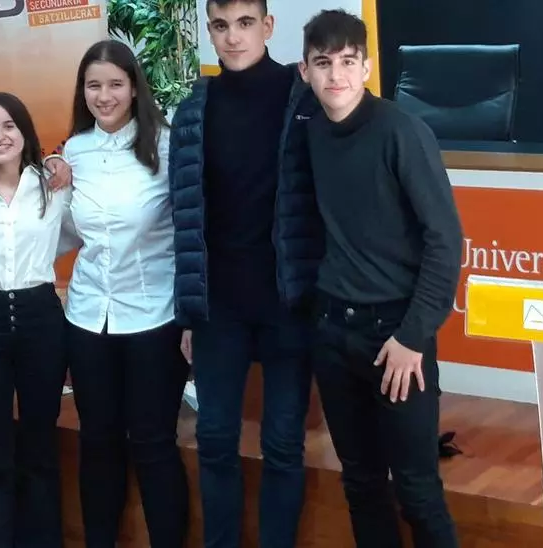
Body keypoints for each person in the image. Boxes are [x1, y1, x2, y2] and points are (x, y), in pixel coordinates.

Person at [299, 9, 463, 547]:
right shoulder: (310, 130)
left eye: (348, 62)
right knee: (361, 484)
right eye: (323, 63)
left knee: (416, 490)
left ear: (367, 68)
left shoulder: (402, 132)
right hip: (332, 331)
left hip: (396, 336)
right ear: (305, 71)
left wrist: (412, 336)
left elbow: (446, 241)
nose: (336, 75)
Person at [167, 1, 323, 545]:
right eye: (221, 26)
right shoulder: (193, 110)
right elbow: (185, 218)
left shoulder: (306, 97)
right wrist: (189, 311)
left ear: (268, 27)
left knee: (283, 445)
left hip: (288, 303)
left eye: (245, 24)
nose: (233, 37)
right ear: (209, 31)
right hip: (220, 308)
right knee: (214, 441)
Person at [61, 39, 188, 547]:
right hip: (88, 317)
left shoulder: (167, 145)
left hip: (154, 317)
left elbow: (191, 232)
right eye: (94, 85)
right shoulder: (74, 151)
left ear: (134, 88)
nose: (104, 95)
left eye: (115, 84)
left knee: (154, 444)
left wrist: (194, 315)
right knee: (98, 442)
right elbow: (66, 233)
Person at [0, 91, 73, 548]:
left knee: (40, 444)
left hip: (40, 316)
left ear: (25, 132)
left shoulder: (54, 184)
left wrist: (58, 163)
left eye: (9, 126)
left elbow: (73, 234)